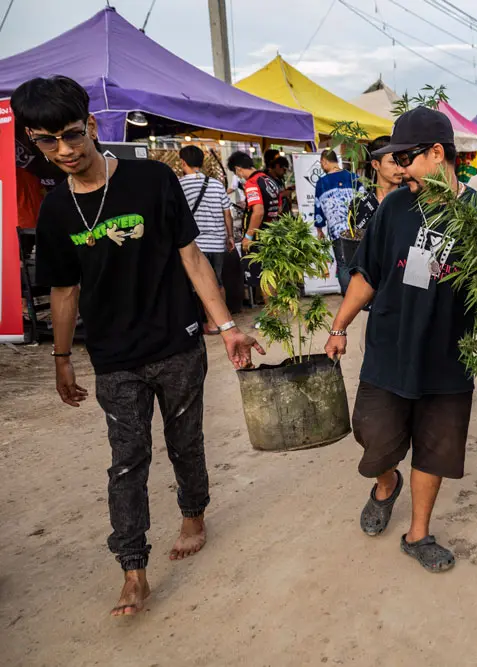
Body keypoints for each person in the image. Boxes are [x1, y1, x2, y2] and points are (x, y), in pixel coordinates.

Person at [11, 76, 263, 617]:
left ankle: (193, 511)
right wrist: (61, 359)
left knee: (184, 442)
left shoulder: (152, 181)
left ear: (93, 125)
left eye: (72, 134)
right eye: (46, 142)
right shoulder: (55, 213)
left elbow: (192, 259)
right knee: (126, 461)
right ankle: (133, 567)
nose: (65, 150)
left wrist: (225, 328)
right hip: (114, 357)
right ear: (33, 142)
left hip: (177, 343)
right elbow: (63, 290)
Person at [322, 107, 477, 573]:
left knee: (435, 448)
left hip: (449, 357)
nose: (399, 168)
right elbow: (367, 272)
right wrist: (339, 326)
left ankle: (418, 533)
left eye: (406, 157)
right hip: (391, 347)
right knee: (373, 434)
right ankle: (386, 484)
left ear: (437, 153)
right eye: (395, 159)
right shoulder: (394, 207)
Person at [178, 145, 235, 334]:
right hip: (218, 241)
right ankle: (224, 323)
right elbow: (228, 214)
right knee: (218, 282)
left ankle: (210, 324)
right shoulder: (217, 185)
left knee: (200, 283)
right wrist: (230, 236)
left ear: (183, 162)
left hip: (195, 245)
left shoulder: (180, 185)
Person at [227, 151, 281, 304]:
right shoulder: (268, 180)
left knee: (264, 277)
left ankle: (272, 317)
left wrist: (249, 236)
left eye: (237, 173)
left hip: (259, 237)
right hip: (272, 232)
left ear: (238, 169)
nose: (239, 177)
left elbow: (258, 211)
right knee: (271, 275)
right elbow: (278, 207)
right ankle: (274, 312)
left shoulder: (252, 183)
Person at [313, 147, 360, 293]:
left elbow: (318, 206)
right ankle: (362, 296)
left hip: (337, 231)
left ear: (324, 161)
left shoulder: (322, 182)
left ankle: (349, 297)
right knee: (359, 262)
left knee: (343, 265)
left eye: (321, 164)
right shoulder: (353, 177)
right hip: (358, 229)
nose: (322, 167)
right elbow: (364, 199)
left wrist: (319, 228)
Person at [347, 135, 404, 237]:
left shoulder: (413, 202)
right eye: (392, 162)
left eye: (402, 161)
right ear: (376, 164)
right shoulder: (359, 205)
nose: (400, 169)